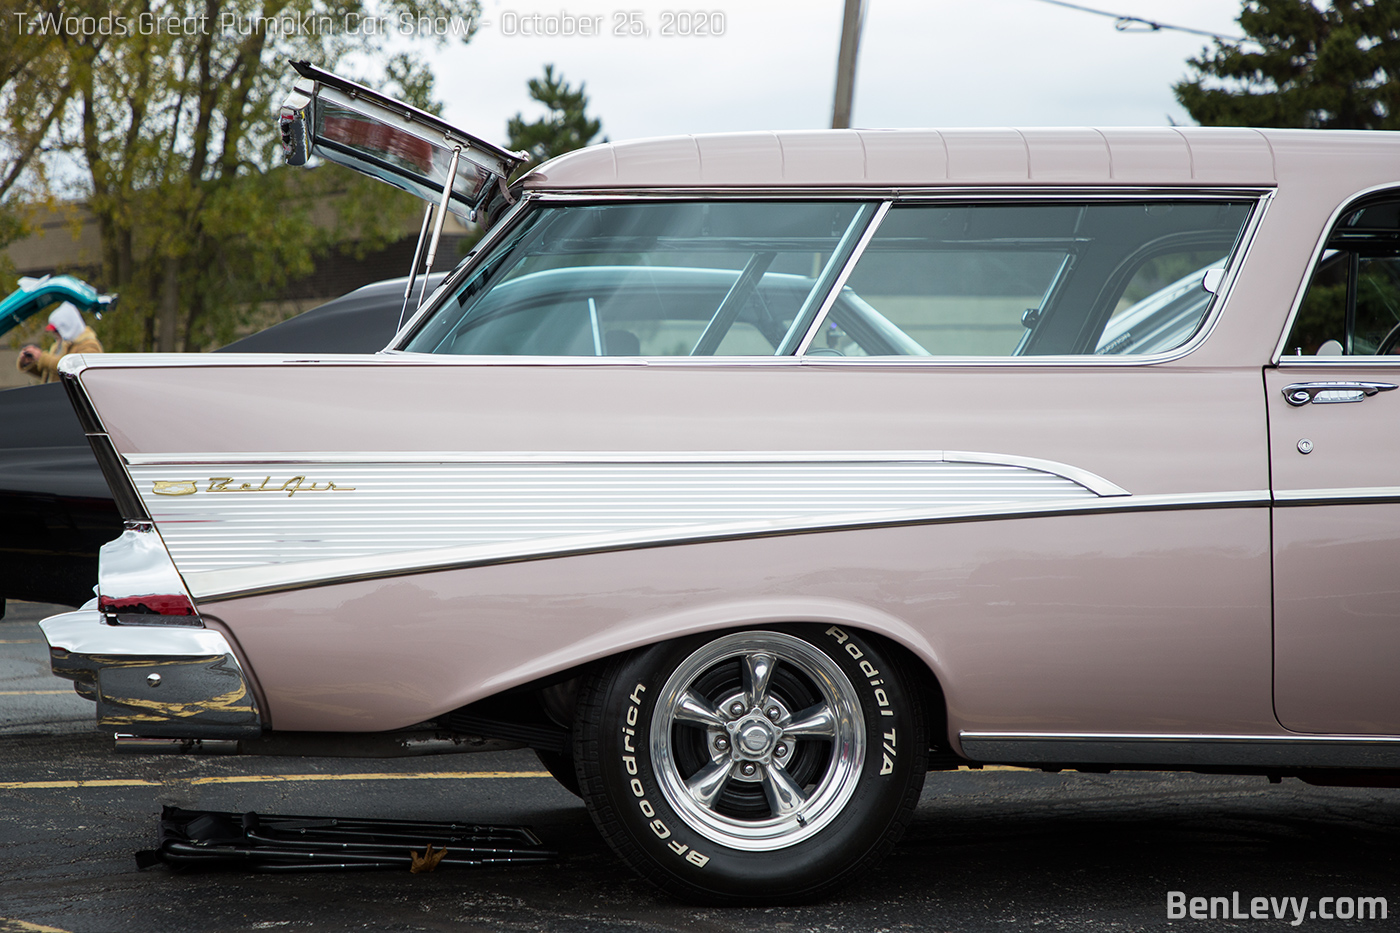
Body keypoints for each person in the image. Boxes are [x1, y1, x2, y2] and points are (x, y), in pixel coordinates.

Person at [16, 302, 103, 383]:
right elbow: (51, 374)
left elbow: (72, 370)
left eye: (56, 330)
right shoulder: (60, 345)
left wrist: (42, 357)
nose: (54, 334)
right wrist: (30, 362)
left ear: (68, 327)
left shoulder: (90, 345)